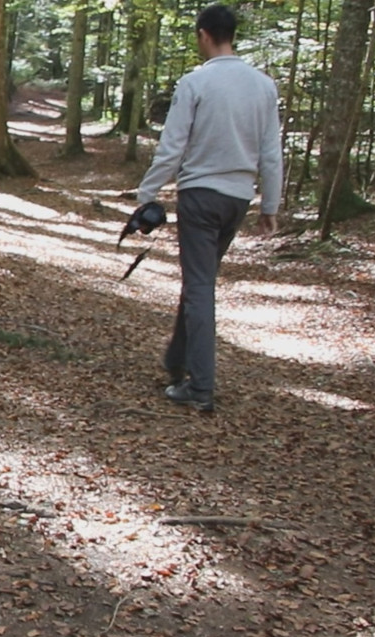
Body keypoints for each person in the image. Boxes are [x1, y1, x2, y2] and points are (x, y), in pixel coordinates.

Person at [136, 4, 283, 412]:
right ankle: (176, 361)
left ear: (204, 34)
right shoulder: (263, 85)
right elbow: (271, 152)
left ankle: (200, 388)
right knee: (199, 280)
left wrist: (146, 192)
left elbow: (173, 146)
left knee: (200, 286)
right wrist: (269, 203)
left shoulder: (196, 82)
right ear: (231, 34)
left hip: (200, 196)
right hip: (237, 199)